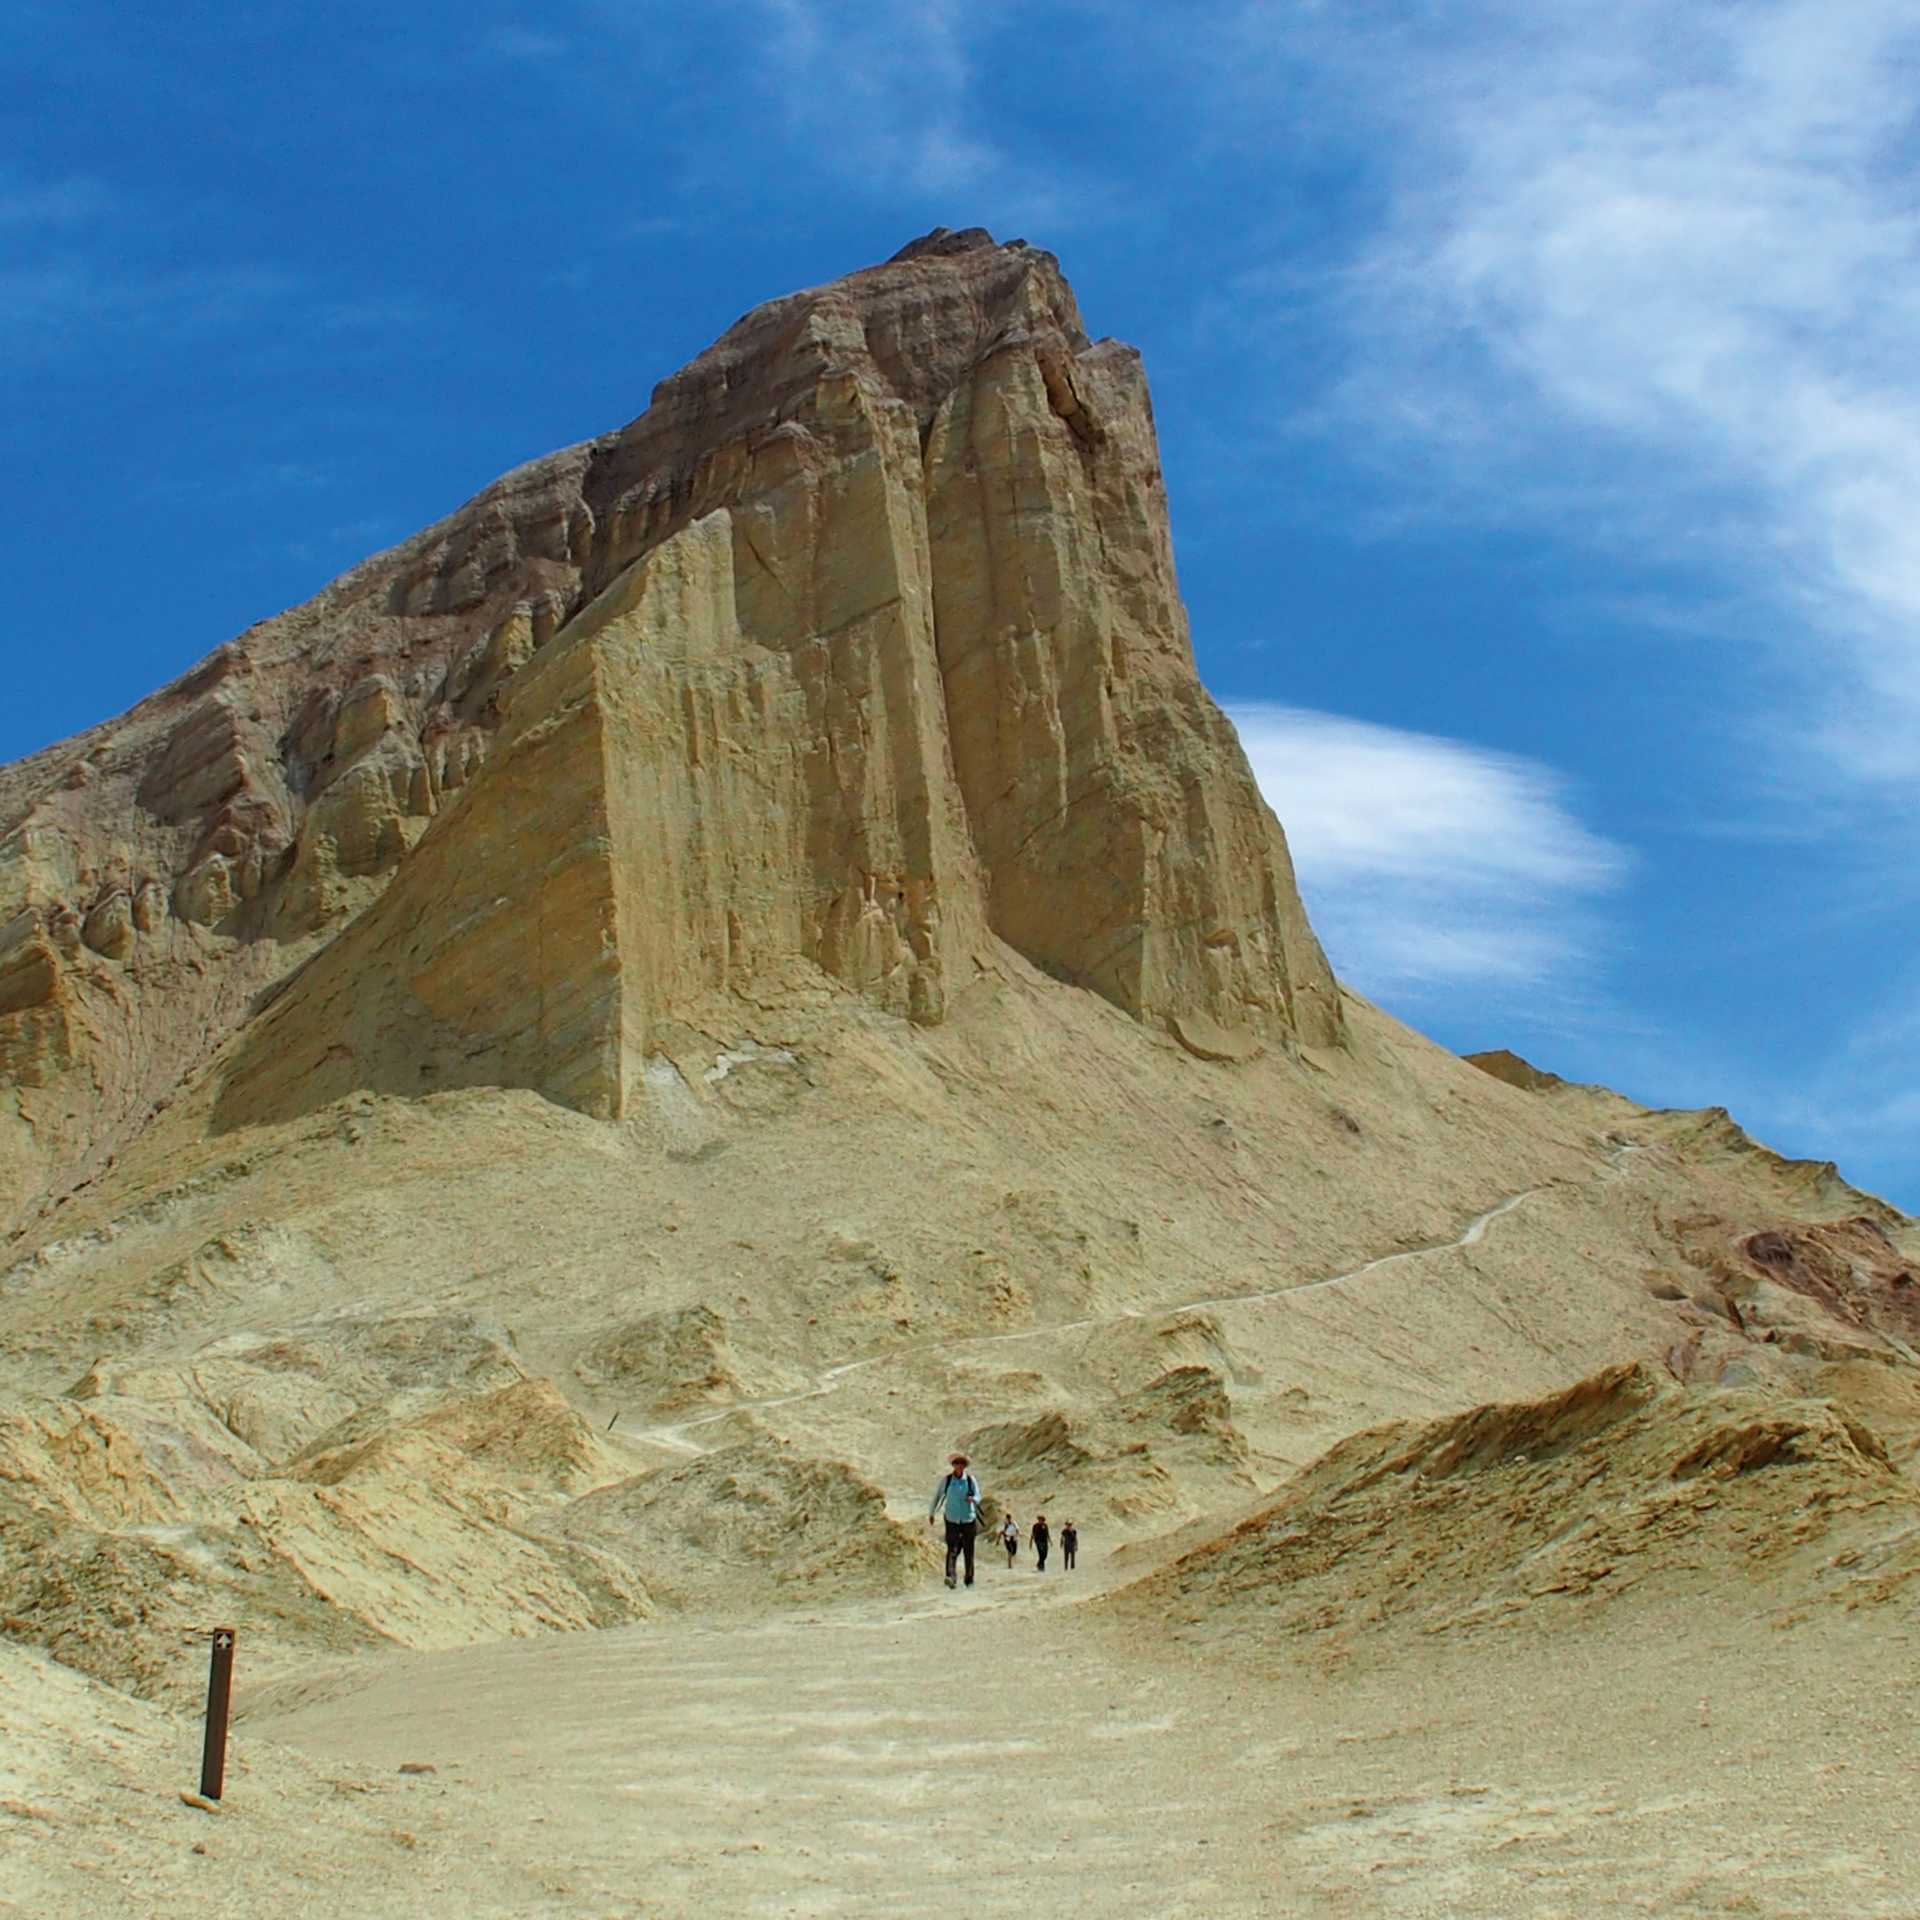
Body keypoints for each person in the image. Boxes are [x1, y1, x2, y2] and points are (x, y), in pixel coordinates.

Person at [927, 1452, 981, 1589]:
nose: (959, 1466)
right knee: (952, 1549)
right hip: (952, 1519)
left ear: (964, 1466)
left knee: (969, 1550)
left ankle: (969, 1580)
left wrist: (972, 1499)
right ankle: (951, 1577)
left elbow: (978, 1496)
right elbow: (937, 1496)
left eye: (961, 1463)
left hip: (968, 1519)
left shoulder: (970, 1480)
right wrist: (932, 1512)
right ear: (953, 1465)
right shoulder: (947, 1480)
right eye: (956, 1463)